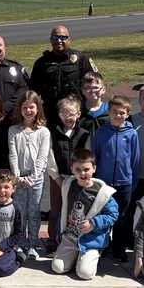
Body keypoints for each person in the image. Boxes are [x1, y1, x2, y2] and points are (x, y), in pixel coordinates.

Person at [50, 148, 118, 280]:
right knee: (57, 268)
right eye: (78, 170)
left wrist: (93, 223)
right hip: (71, 236)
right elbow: (64, 210)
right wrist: (59, 230)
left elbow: (112, 215)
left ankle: (92, 254)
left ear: (94, 168)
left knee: (84, 274)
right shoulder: (68, 186)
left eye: (86, 169)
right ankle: (76, 256)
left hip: (91, 239)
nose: (83, 173)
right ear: (72, 170)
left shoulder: (102, 193)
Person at [92, 95, 140, 262]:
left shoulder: (132, 134)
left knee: (121, 216)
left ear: (127, 114)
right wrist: (96, 180)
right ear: (108, 112)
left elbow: (135, 159)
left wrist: (132, 180)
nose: (118, 115)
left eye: (122, 113)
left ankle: (119, 247)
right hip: (104, 183)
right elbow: (96, 156)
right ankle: (104, 244)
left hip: (124, 182)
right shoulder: (100, 132)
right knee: (104, 215)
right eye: (114, 112)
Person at [7, 90, 51, 259]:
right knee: (19, 212)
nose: (28, 111)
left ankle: (32, 243)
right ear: (20, 109)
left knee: (33, 213)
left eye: (31, 107)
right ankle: (19, 242)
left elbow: (42, 157)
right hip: (18, 178)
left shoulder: (43, 132)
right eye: (24, 107)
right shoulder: (14, 130)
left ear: (37, 108)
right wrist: (18, 177)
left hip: (36, 179)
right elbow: (13, 154)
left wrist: (32, 178)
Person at [46, 94, 89, 257]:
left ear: (78, 114)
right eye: (64, 114)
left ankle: (73, 241)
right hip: (58, 177)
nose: (67, 117)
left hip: (77, 180)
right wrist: (56, 177)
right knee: (56, 210)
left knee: (75, 212)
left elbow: (86, 158)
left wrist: (79, 177)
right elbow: (49, 156)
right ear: (58, 114)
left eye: (71, 114)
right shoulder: (52, 133)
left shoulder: (83, 134)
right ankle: (51, 242)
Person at [28, 25, 96, 126]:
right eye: (55, 38)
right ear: (51, 40)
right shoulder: (42, 63)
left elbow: (93, 84)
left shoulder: (81, 59)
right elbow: (33, 90)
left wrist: (91, 107)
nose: (59, 40)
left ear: (69, 40)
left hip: (75, 114)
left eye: (63, 37)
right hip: (50, 114)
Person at [78, 72, 110, 139]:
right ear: (82, 90)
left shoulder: (109, 111)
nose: (92, 91)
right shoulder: (78, 111)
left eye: (96, 87)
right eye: (88, 88)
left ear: (103, 90)